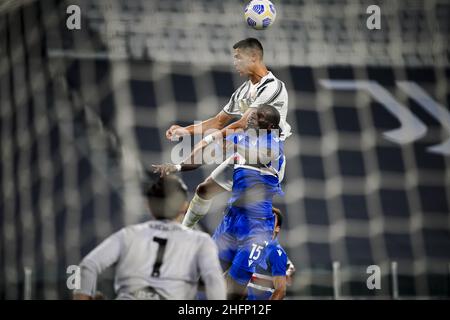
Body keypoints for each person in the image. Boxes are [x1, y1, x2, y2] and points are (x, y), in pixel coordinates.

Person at [154, 105, 284, 299]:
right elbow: (206, 155)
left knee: (234, 290)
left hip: (256, 228)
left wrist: (232, 142)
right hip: (231, 222)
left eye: (259, 117)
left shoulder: (272, 141)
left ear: (271, 125)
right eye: (252, 115)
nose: (251, 118)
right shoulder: (241, 139)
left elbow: (263, 155)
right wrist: (178, 166)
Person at [164, 38, 291, 229]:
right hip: (243, 152)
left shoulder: (273, 87)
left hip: (265, 160)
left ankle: (274, 256)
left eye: (238, 57)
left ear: (254, 57)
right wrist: (186, 130)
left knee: (248, 219)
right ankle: (184, 232)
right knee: (204, 190)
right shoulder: (242, 92)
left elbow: (241, 123)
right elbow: (218, 121)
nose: (235, 62)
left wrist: (211, 138)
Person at [73, 176, 226, 300]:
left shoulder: (128, 234)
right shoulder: (200, 241)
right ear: (185, 207)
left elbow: (87, 265)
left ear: (148, 205)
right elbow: (213, 281)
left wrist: (83, 295)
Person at [247, 207, 296, 300]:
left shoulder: (276, 252)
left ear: (277, 228)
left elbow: (281, 291)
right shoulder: (248, 245)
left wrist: (288, 274)